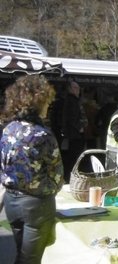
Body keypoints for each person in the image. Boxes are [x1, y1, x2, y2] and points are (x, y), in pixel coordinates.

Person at [0, 75, 64, 264]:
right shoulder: (42, 134)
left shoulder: (8, 129)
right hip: (37, 205)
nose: (48, 106)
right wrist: (50, 189)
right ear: (38, 103)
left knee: (22, 254)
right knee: (30, 259)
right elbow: (57, 174)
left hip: (12, 202)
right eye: (46, 102)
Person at [61, 81, 87, 183]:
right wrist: (80, 127)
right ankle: (71, 179)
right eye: (75, 88)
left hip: (74, 135)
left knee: (73, 158)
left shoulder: (74, 100)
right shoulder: (71, 100)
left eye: (78, 88)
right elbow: (71, 118)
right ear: (70, 89)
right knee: (73, 158)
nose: (78, 90)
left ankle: (71, 178)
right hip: (74, 135)